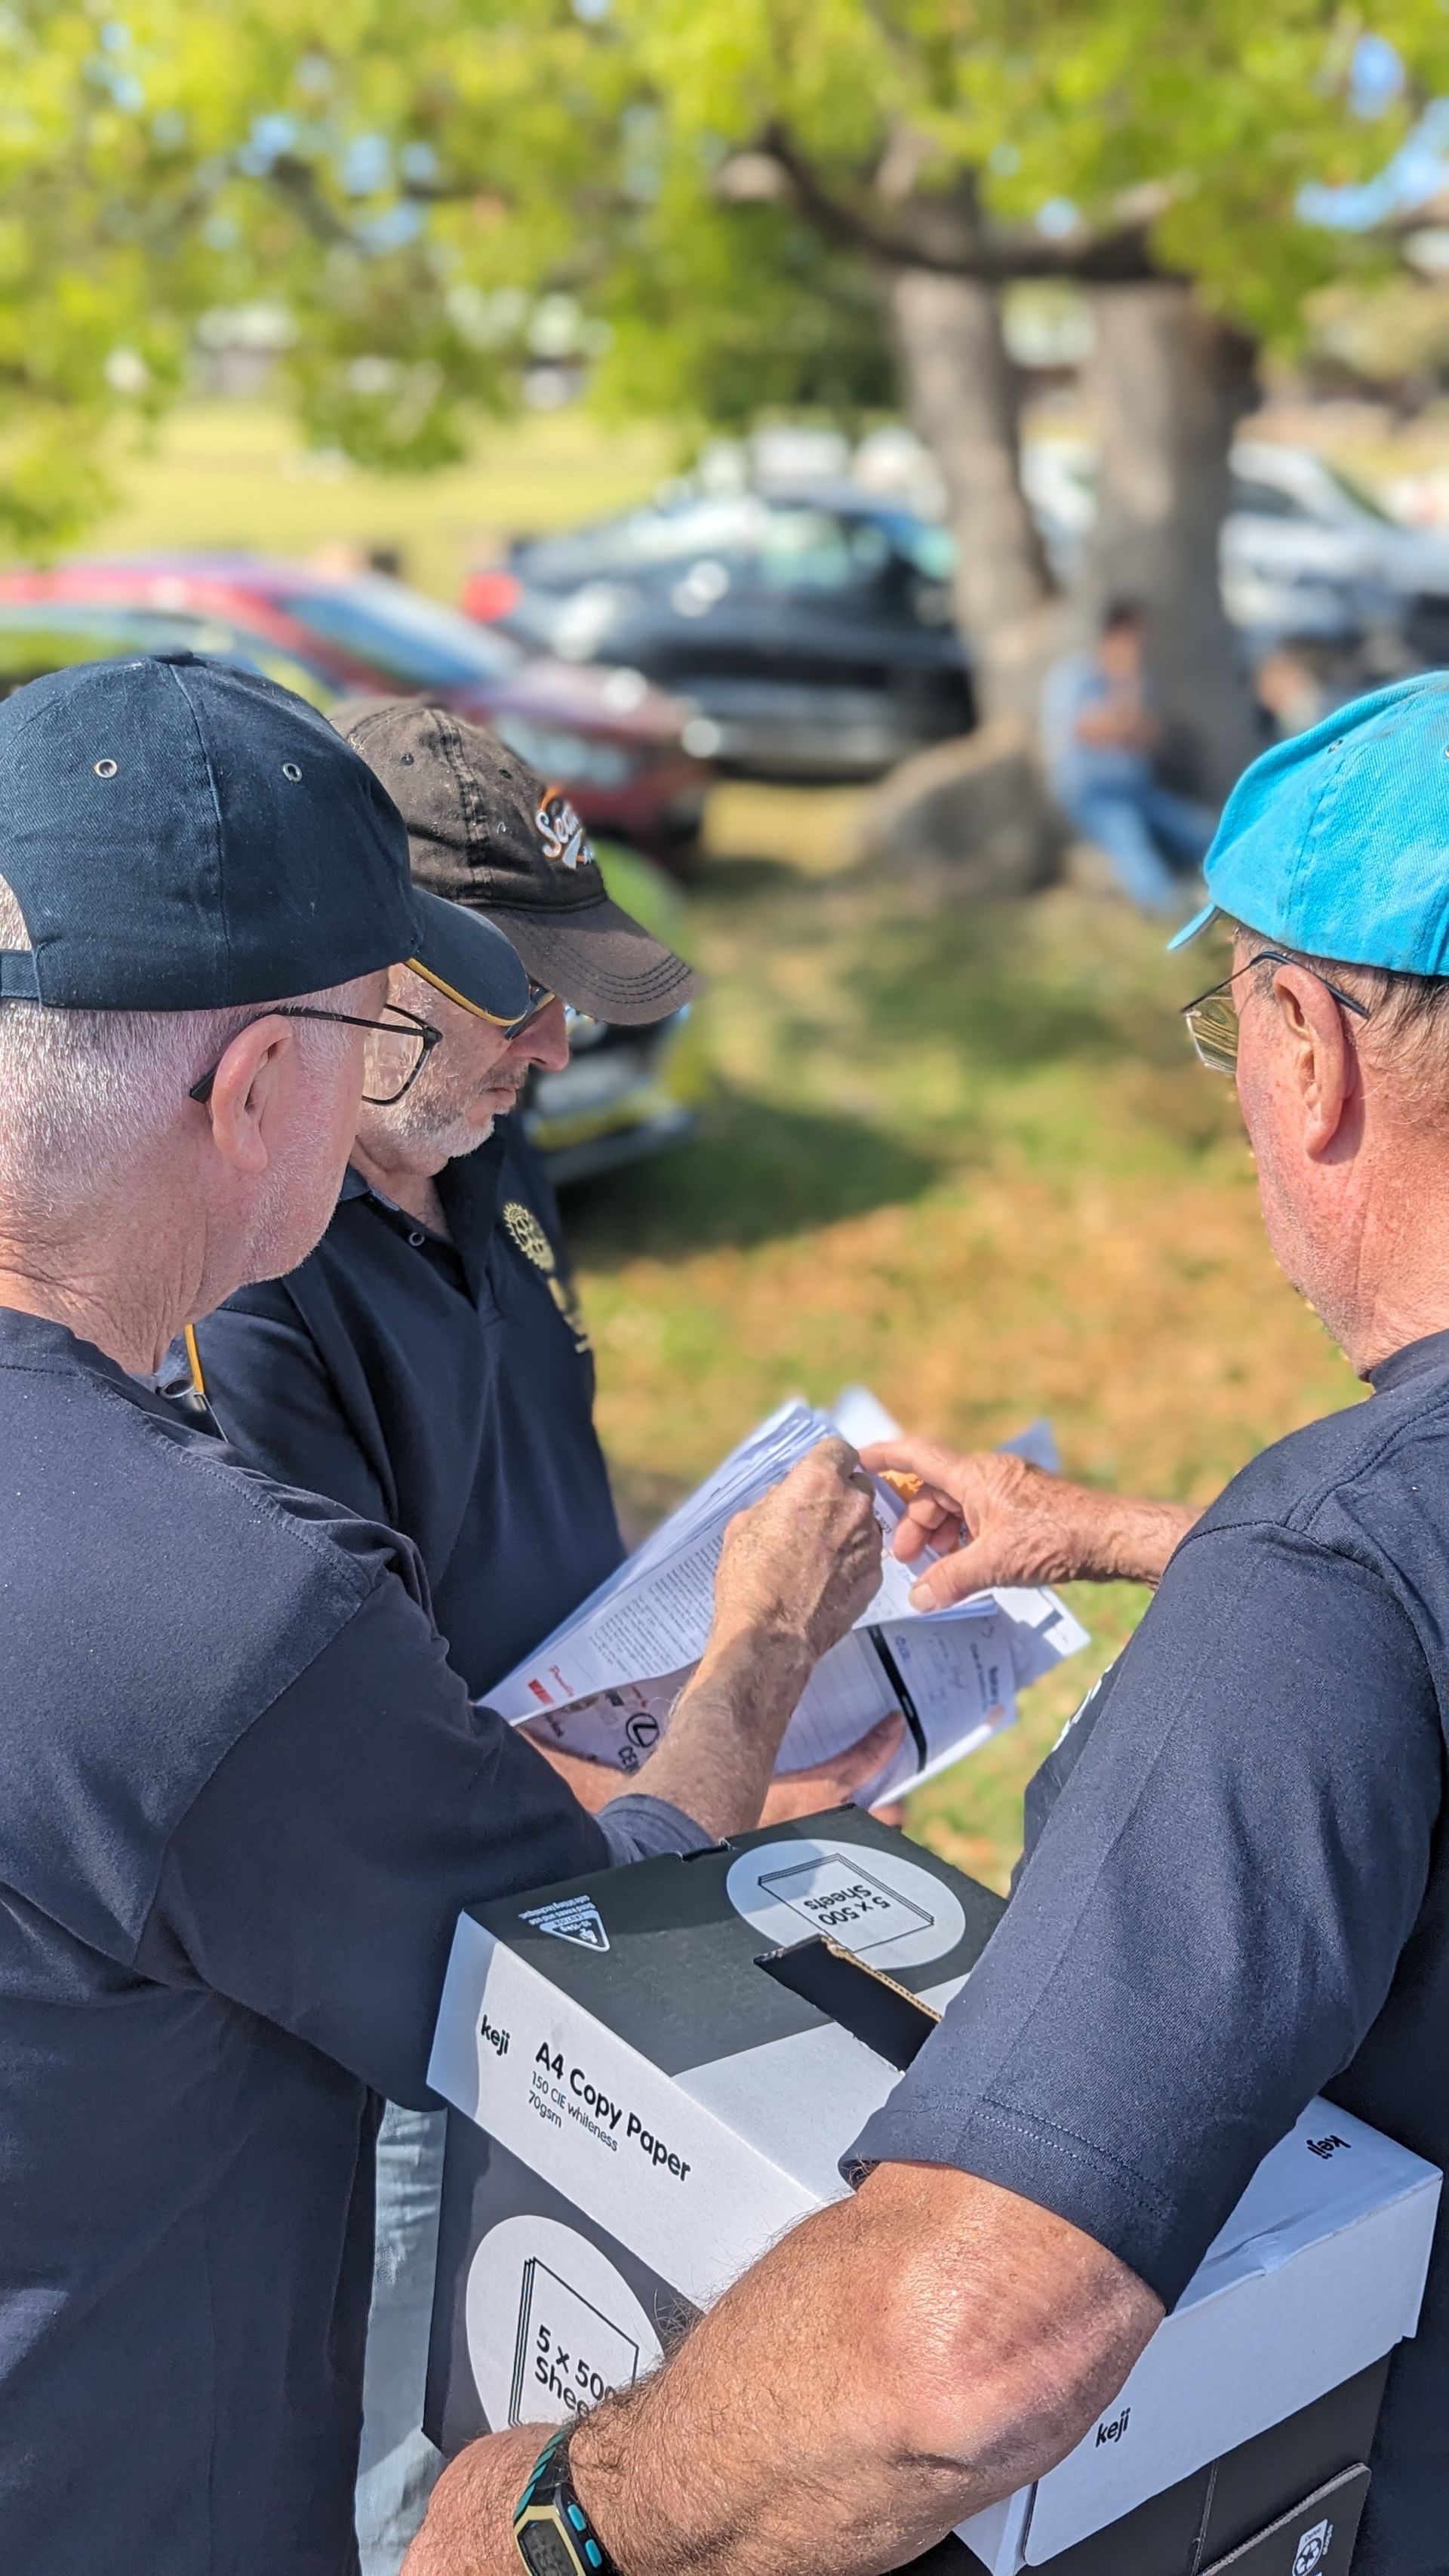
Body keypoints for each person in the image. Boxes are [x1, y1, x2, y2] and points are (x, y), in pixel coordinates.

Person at [408, 672, 1449, 2576]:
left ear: (1307, 1046)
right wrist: (1139, 1534)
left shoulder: (1319, 1583)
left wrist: (556, 2513)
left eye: (1228, 1020)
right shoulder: (1330, 1568)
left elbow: (966, 2349)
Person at [0, 649, 885, 2576]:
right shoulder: (212, 1610)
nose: (537, 1052)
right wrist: (758, 1651)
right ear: (259, 1088)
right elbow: (596, 1930)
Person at [1041, 601, 1214, 915]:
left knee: (1199, 830)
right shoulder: (1075, 676)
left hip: (1139, 791)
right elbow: (1092, 731)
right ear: (1117, 633)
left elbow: (1149, 737)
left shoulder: (1138, 679)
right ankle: (1170, 912)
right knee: (1130, 840)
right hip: (1094, 795)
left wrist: (1127, 714)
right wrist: (1125, 690)